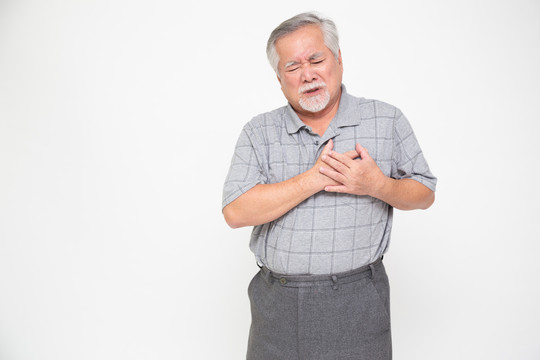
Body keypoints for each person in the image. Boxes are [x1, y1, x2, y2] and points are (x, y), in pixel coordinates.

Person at [222, 12, 437, 360]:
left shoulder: (386, 119)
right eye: (292, 67)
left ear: (338, 60)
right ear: (279, 79)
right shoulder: (258, 131)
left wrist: (377, 184)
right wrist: (315, 177)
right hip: (277, 302)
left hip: (358, 300)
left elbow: (425, 194)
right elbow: (235, 212)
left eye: (316, 59)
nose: (307, 74)